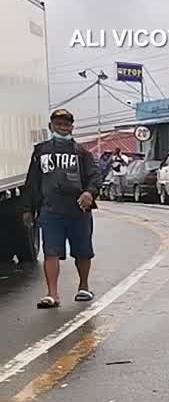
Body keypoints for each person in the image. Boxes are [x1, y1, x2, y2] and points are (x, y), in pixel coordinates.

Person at [23, 109, 101, 309]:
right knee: (51, 251)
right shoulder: (40, 151)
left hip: (78, 210)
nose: (62, 128)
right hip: (50, 210)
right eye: (58, 124)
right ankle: (52, 294)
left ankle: (83, 287)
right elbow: (32, 182)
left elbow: (94, 177)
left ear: (72, 127)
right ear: (51, 127)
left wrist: (89, 193)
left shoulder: (82, 153)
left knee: (83, 251)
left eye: (66, 125)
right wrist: (27, 209)